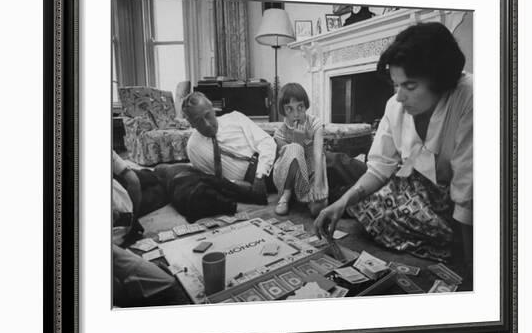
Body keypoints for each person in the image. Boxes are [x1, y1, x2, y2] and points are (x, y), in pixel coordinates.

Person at [314, 22, 473, 266]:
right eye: (395, 84)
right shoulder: (394, 106)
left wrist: (473, 268)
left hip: (462, 200)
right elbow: (380, 168)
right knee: (367, 205)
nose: (399, 96)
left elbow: (468, 189)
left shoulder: (469, 97)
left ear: (441, 80)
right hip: (415, 188)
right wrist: (343, 202)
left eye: (409, 86)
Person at [183, 92, 277, 202]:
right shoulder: (193, 148)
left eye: (208, 115)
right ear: (191, 124)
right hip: (244, 183)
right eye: (199, 121)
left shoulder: (235, 118)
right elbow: (212, 179)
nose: (207, 124)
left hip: (267, 162)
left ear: (213, 110)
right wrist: (236, 185)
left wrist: (260, 175)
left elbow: (267, 142)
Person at [112, 151, 176, 307]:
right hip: (119, 230)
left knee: (152, 180)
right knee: (161, 188)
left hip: (127, 210)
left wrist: (132, 220)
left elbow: (133, 181)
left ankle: (155, 174)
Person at [273, 83, 328, 217]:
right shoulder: (279, 133)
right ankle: (286, 196)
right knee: (295, 148)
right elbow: (289, 161)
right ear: (283, 110)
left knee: (318, 210)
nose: (296, 114)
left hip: (311, 171)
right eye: (289, 109)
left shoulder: (315, 123)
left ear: (305, 106)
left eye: (300, 107)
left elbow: (318, 154)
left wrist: (318, 184)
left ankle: (304, 196)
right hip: (288, 177)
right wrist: (298, 141)